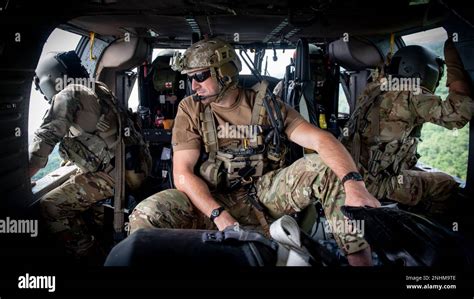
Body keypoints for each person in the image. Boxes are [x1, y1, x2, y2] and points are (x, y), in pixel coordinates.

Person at [128, 38, 380, 266]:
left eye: (201, 76)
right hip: (211, 199)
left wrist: (354, 185)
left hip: (263, 193)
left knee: (326, 166)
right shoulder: (190, 108)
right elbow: (182, 173)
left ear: (225, 73)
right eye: (191, 77)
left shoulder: (267, 106)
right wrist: (219, 215)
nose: (193, 85)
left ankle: (360, 261)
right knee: (145, 214)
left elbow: (321, 139)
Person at [30, 51, 151, 260]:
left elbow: (46, 137)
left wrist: (24, 174)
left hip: (116, 175)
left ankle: (89, 257)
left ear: (50, 80)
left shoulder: (68, 94)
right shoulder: (98, 88)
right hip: (136, 167)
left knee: (50, 206)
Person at [341, 38, 473, 217]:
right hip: (374, 185)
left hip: (348, 177)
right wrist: (454, 58)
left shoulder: (373, 88)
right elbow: (458, 114)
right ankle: (424, 229)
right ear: (425, 72)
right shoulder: (412, 94)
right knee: (445, 183)